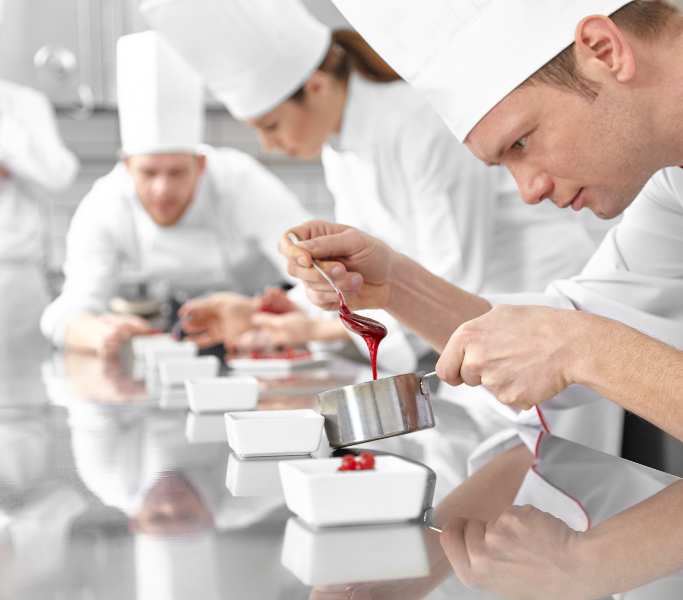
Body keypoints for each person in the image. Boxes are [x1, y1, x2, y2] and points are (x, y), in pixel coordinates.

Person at [273, 0, 683, 595]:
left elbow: (582, 345)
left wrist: (589, 564)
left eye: (521, 142)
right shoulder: (673, 184)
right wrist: (397, 286)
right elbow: (560, 341)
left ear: (603, 50)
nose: (528, 190)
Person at [142, 0, 625, 454]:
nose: (269, 145)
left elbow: (450, 282)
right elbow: (375, 274)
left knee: (561, 504)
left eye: (271, 125)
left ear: (316, 87)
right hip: (464, 347)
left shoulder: (416, 126)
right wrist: (267, 310)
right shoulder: (343, 149)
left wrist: (314, 326)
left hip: (538, 322)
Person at [40, 31, 311, 357]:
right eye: (148, 172)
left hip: (266, 318)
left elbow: (315, 274)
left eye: (178, 172)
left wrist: (275, 316)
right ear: (127, 167)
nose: (162, 189)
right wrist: (99, 333)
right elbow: (70, 307)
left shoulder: (239, 181)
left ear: (201, 164)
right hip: (188, 322)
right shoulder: (106, 204)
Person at [0, 0, 80, 345]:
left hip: (13, 277)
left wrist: (8, 145)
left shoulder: (23, 105)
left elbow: (60, 176)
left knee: (19, 390)